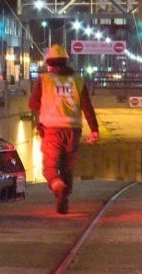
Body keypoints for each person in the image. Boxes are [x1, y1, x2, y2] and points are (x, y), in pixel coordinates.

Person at [28, 44, 100, 214]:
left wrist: (46, 107)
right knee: (68, 166)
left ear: (50, 64)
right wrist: (94, 130)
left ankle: (59, 187)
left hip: (51, 130)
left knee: (50, 167)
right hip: (73, 130)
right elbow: (87, 107)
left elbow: (32, 103)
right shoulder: (78, 80)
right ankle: (65, 198)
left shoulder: (44, 80)